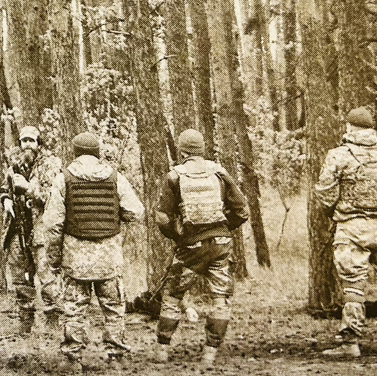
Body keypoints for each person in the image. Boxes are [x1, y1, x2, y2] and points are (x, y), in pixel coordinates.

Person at [41, 132, 143, 368]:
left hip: (76, 260)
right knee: (114, 309)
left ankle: (72, 359)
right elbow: (135, 211)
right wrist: (114, 216)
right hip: (109, 258)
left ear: (75, 152)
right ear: (98, 152)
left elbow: (53, 225)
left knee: (74, 310)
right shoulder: (115, 177)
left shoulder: (63, 179)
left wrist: (54, 259)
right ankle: (116, 359)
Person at [314, 106, 377, 359]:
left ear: (349, 128)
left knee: (353, 285)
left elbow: (325, 194)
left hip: (351, 226)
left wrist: (338, 212)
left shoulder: (338, 155)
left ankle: (351, 342)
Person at [154, 129, 248, 370]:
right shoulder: (220, 173)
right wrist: (223, 229)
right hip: (220, 245)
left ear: (182, 151)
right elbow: (242, 211)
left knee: (173, 295)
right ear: (202, 150)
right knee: (220, 298)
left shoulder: (174, 176)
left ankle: (162, 350)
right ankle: (210, 353)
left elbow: (163, 218)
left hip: (190, 246)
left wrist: (178, 236)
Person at [1, 124, 64, 331]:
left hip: (42, 230)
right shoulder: (14, 164)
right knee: (20, 277)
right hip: (18, 228)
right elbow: (5, 187)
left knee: (47, 276)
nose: (27, 144)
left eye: (31, 140)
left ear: (39, 143)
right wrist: (6, 199)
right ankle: (25, 322)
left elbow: (53, 197)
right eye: (24, 140)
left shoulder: (50, 165)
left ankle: (53, 321)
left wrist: (28, 189)